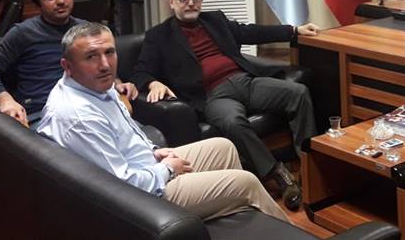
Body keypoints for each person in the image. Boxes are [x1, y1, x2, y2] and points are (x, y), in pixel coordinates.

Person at [37, 23, 287, 222]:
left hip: (145, 167)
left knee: (223, 147)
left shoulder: (94, 84)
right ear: (67, 66)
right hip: (141, 198)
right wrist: (167, 169)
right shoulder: (80, 117)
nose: (104, 65)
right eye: (91, 56)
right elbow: (121, 187)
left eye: (109, 52)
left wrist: (154, 151)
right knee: (246, 184)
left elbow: (128, 134)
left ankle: (224, 226)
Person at [130, 0, 319, 211]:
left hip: (246, 81)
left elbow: (251, 32)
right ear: (171, 2)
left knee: (298, 92)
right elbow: (140, 71)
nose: (191, 3)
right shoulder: (159, 36)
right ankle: (279, 175)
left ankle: (311, 166)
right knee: (232, 122)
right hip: (214, 95)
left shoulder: (215, 20)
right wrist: (152, 83)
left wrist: (293, 30)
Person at [0, 0, 137, 127]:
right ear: (38, 4)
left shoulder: (85, 30)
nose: (60, 1)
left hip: (89, 107)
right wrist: (5, 99)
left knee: (136, 136)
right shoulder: (23, 33)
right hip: (43, 114)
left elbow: (102, 65)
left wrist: (117, 83)